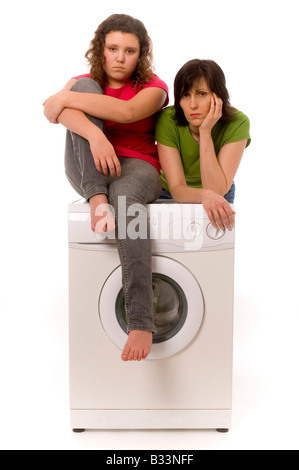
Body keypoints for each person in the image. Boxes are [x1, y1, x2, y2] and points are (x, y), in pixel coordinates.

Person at [43, 14, 169, 362]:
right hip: (88, 166)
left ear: (140, 54)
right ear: (100, 49)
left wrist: (63, 100)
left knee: (127, 200)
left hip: (137, 166)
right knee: (82, 89)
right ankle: (98, 200)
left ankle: (141, 321)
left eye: (129, 51)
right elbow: (54, 112)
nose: (119, 57)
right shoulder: (85, 82)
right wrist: (96, 135)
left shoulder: (154, 88)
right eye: (112, 48)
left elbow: (127, 112)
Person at [155, 59, 251, 230]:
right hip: (169, 191)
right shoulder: (167, 120)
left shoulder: (238, 122)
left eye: (201, 94)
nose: (192, 105)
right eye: (185, 95)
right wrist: (204, 195)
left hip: (220, 190)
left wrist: (205, 132)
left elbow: (215, 190)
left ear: (218, 96)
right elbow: (177, 188)